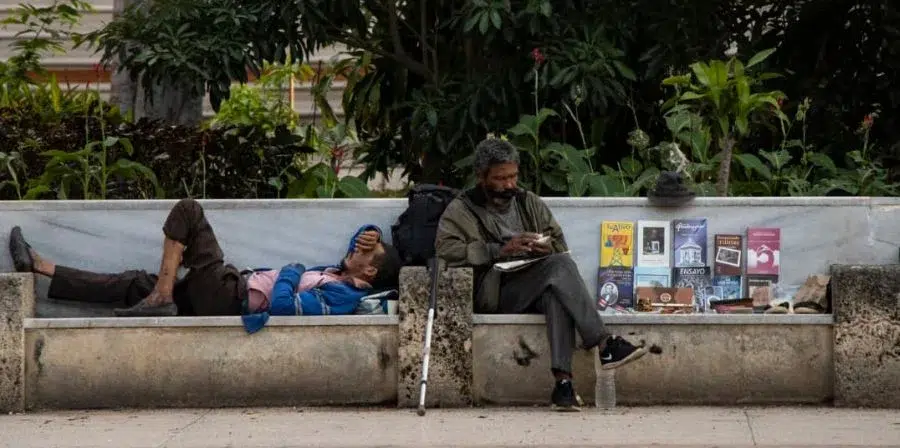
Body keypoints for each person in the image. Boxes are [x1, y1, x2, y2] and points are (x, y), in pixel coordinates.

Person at [435, 137, 647, 412]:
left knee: (555, 293)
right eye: (500, 178)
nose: (509, 185)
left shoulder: (528, 202)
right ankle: (604, 342)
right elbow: (445, 250)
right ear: (481, 176)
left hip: (535, 281)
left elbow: (559, 243)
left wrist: (540, 247)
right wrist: (497, 250)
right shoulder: (461, 209)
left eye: (513, 176)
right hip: (495, 290)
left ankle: (563, 386)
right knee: (559, 267)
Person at [8, 198, 402, 321]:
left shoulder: (344, 296)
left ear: (370, 270)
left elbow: (284, 306)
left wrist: (290, 272)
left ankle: (162, 296)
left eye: (366, 251)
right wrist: (371, 233)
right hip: (218, 294)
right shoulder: (336, 271)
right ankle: (41, 267)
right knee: (131, 283)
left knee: (189, 211)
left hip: (230, 298)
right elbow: (353, 250)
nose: (357, 247)